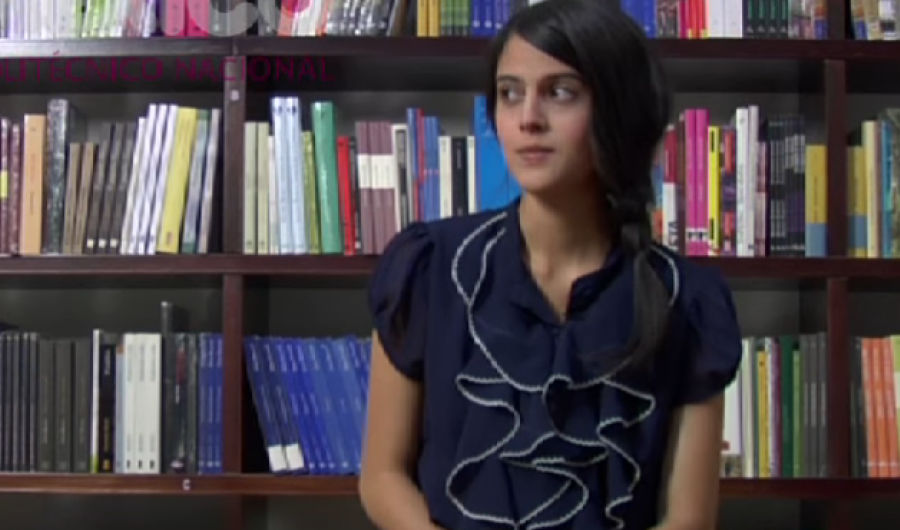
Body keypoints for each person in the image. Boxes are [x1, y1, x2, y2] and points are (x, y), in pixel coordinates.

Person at [358, 1, 744, 530]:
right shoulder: (429, 266)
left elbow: (690, 519)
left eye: (560, 92)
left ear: (617, 110)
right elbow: (381, 476)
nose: (527, 118)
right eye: (509, 92)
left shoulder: (688, 299)